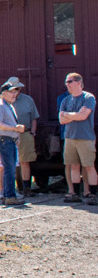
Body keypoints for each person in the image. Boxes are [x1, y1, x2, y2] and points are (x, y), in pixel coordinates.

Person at [59, 73, 97, 204]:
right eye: (66, 82)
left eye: (69, 81)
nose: (67, 84)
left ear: (79, 82)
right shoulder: (65, 100)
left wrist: (67, 114)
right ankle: (75, 193)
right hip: (69, 137)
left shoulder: (88, 98)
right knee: (74, 166)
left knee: (89, 166)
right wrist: (75, 114)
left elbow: (83, 116)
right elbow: (61, 120)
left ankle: (92, 194)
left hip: (85, 137)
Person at [3, 77, 40, 194]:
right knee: (9, 162)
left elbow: (34, 117)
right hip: (9, 134)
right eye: (14, 89)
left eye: (17, 89)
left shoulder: (28, 100)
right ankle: (10, 189)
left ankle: (26, 187)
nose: (16, 91)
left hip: (25, 133)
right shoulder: (3, 102)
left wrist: (33, 132)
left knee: (25, 161)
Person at [0, 82, 26, 205]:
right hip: (5, 141)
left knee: (10, 169)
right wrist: (15, 129)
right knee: (9, 169)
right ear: (4, 93)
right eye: (11, 92)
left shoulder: (9, 106)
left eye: (15, 92)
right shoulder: (0, 106)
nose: (14, 94)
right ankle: (10, 196)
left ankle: (9, 194)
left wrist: (16, 136)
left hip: (10, 141)